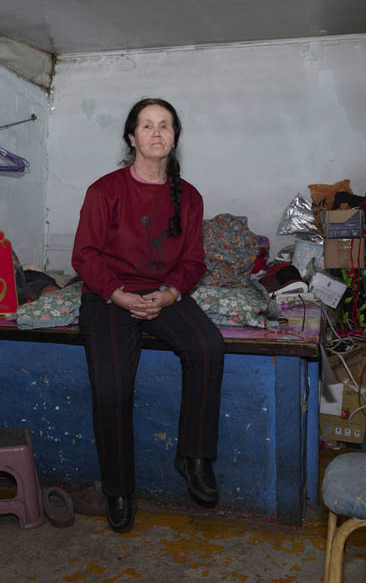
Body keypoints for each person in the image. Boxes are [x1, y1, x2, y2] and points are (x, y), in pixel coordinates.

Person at [71, 98, 225, 533]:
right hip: (109, 295)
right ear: (131, 137)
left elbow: (193, 261)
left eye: (165, 125)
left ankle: (194, 456)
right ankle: (119, 488)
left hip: (163, 293)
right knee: (111, 388)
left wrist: (170, 294)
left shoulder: (189, 197)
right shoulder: (105, 190)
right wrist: (118, 295)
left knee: (208, 346)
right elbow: (84, 254)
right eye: (147, 125)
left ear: (174, 138)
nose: (157, 133)